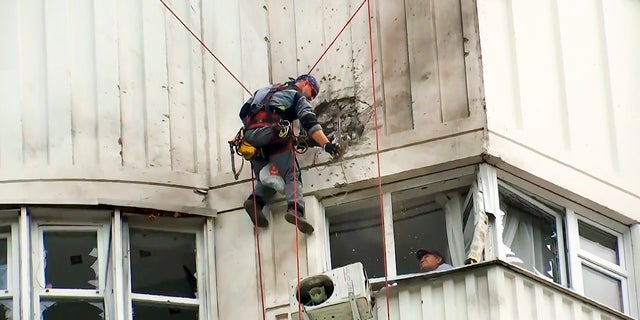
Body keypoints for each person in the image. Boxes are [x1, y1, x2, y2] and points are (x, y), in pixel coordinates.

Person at [239, 74, 342, 234]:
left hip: (250, 139)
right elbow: (309, 122)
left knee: (273, 177)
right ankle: (295, 210)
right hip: (272, 135)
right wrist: (326, 145)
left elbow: (243, 112)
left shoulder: (265, 90)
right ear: (306, 83)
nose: (311, 99)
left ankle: (255, 202)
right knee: (291, 174)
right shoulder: (296, 96)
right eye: (312, 93)